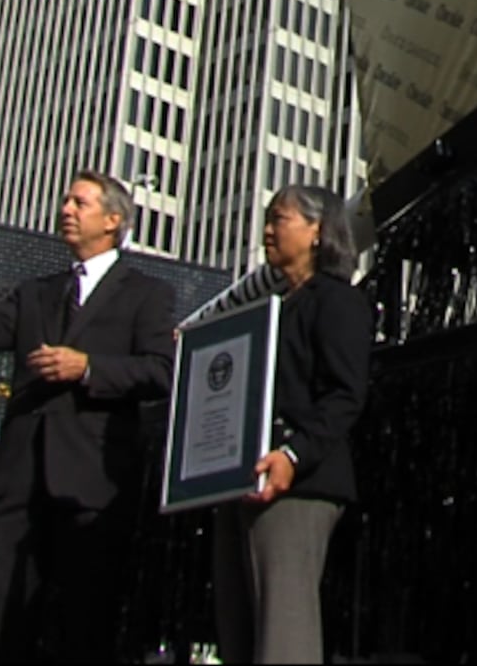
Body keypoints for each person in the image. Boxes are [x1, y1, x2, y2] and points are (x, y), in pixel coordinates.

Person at [0, 171, 176, 663]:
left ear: (112, 220)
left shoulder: (147, 293)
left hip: (91, 479)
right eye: (65, 201)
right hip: (19, 480)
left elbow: (160, 371)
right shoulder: (37, 291)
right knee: (0, 615)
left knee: (84, 621)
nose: (66, 209)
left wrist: (88, 368)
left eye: (79, 202)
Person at [212, 184, 374, 664]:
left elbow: (346, 396)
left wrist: (293, 455)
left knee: (284, 630)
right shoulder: (274, 308)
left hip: (298, 487)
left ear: (317, 230)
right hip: (243, 480)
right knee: (238, 630)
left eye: (278, 218)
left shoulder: (338, 301)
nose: (266, 230)